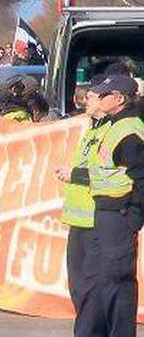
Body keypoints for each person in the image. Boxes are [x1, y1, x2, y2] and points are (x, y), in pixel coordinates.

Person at [56, 74, 144, 337]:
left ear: (118, 99)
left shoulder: (129, 130)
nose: (92, 99)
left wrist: (133, 217)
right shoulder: (110, 125)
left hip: (117, 215)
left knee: (115, 285)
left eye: (102, 95)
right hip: (100, 215)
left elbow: (139, 177)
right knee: (95, 286)